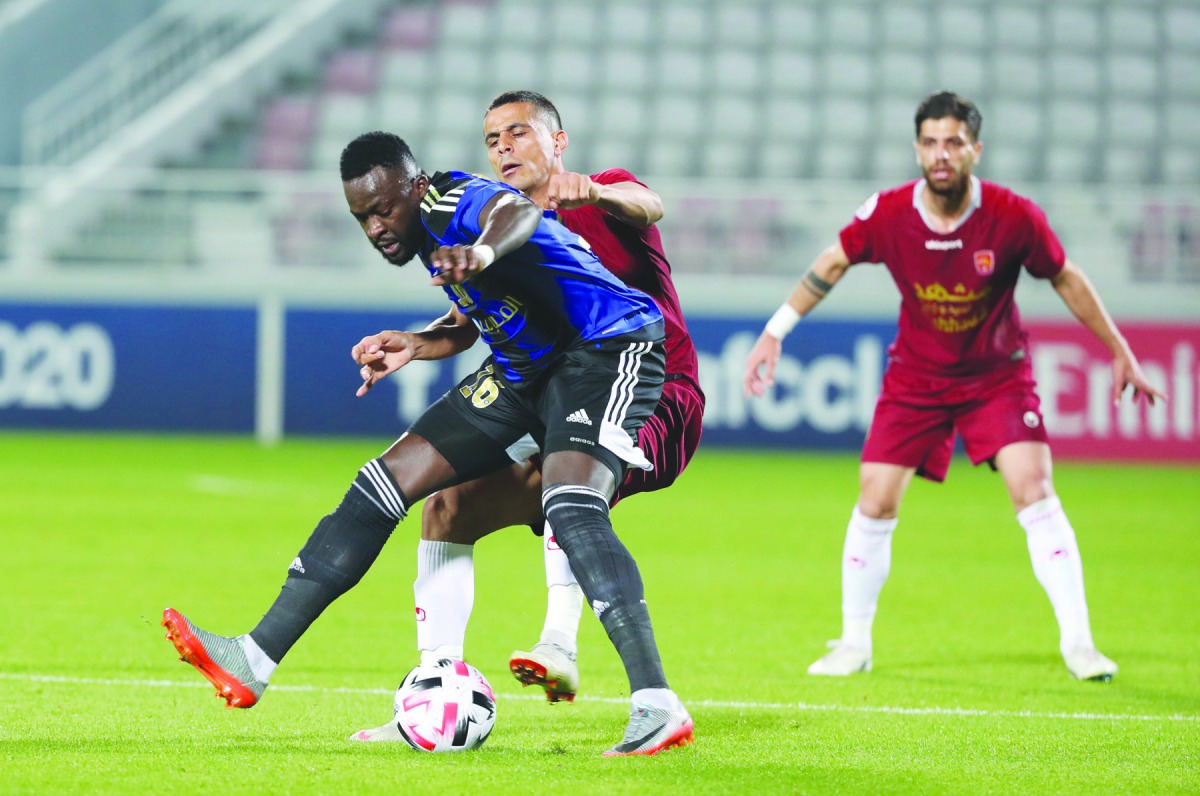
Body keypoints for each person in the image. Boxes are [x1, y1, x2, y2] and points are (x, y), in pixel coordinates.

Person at [163, 131, 694, 756]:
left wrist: (483, 252)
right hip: (526, 371)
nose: (376, 227)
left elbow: (515, 212)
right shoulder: (427, 237)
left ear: (414, 188)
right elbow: (472, 320)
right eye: (362, 216)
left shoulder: (457, 202)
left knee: (571, 503)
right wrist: (417, 341)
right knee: (387, 486)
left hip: (608, 348)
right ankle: (254, 657)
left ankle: (657, 705)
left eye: (384, 208)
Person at [743, 91, 1165, 683]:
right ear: (918, 149)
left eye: (954, 143)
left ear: (975, 150)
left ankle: (1079, 644)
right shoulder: (889, 214)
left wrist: (1119, 349)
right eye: (931, 143)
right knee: (875, 497)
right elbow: (832, 262)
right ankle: (855, 643)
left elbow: (1065, 276)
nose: (941, 154)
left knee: (1033, 487)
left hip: (996, 377)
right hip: (916, 377)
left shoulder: (1014, 216)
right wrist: (774, 332)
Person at [351, 91, 704, 743]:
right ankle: (429, 695)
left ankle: (568, 651)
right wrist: (416, 342)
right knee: (446, 505)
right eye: (493, 140)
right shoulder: (492, 221)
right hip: (561, 396)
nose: (504, 147)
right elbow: (467, 322)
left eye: (518, 133)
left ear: (557, 142)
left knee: (565, 482)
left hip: (658, 393)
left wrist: (593, 193)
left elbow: (650, 206)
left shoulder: (605, 193)